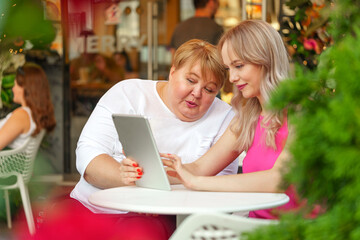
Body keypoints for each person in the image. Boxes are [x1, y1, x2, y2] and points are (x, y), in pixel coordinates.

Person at [68, 39, 239, 239]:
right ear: (173, 72)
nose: (197, 93)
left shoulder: (225, 118)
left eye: (209, 89)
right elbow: (88, 160)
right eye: (191, 81)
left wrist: (153, 197)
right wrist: (137, 185)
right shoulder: (128, 93)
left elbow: (219, 186)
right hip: (92, 206)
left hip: (164, 218)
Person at [161, 20, 306, 220]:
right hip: (255, 230)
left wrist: (196, 182)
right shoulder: (248, 117)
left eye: (238, 66)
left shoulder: (302, 112)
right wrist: (147, 170)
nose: (232, 78)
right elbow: (199, 168)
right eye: (229, 69)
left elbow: (278, 179)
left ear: (265, 60)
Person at [0, 63, 56, 150]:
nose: (13, 89)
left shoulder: (22, 116)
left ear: (25, 88)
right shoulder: (35, 114)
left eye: (15, 85)